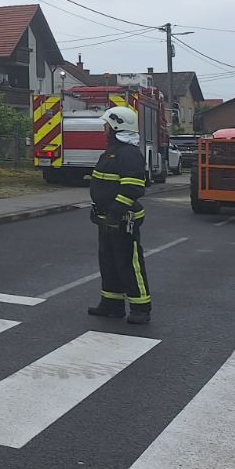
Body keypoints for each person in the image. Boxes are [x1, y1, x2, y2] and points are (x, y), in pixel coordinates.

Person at [87, 104, 152, 324]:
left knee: (128, 263)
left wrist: (116, 212)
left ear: (116, 125)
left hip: (123, 219)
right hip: (108, 217)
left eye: (106, 124)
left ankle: (141, 307)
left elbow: (133, 188)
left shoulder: (129, 154)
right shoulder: (112, 152)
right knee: (108, 262)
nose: (103, 128)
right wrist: (98, 210)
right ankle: (111, 304)